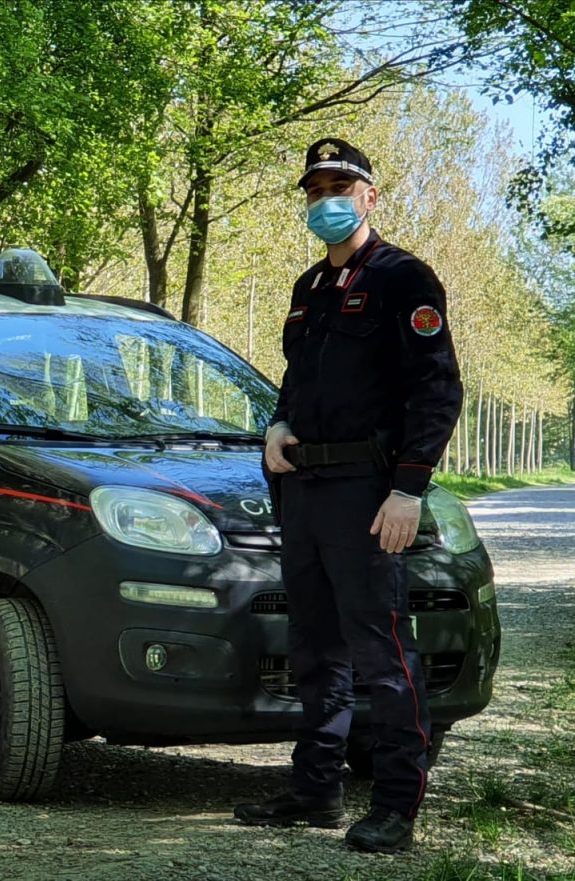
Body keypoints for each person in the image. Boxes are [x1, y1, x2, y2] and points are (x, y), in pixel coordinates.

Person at [233, 139, 463, 853]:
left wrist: (409, 489)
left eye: (342, 185)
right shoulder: (308, 288)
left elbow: (438, 389)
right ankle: (315, 790)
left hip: (369, 491)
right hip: (304, 488)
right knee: (314, 648)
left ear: (370, 197)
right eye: (315, 189)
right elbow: (298, 381)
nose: (326, 199)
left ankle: (396, 804)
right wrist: (277, 423)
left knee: (381, 650)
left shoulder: (404, 278)